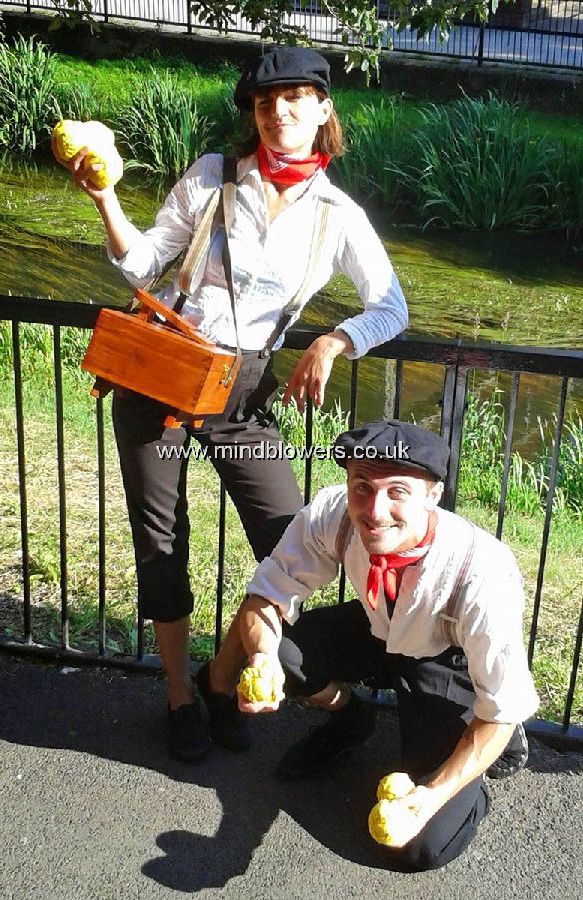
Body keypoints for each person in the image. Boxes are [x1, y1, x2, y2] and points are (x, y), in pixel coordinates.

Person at [51, 47, 408, 762]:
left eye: (297, 98)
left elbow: (391, 305)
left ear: (323, 110)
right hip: (161, 379)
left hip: (241, 395)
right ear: (253, 111)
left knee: (288, 536)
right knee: (162, 540)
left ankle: (241, 676)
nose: (280, 111)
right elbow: (143, 262)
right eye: (267, 100)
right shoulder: (215, 176)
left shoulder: (337, 214)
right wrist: (103, 198)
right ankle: (183, 695)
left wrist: (335, 341)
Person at [205, 420, 539, 871]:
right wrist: (262, 655)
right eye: (362, 485)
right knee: (280, 650)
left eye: (397, 491)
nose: (375, 509)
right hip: (377, 627)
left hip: (445, 658)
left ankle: (471, 772)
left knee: (421, 846)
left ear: (433, 495)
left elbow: (500, 711)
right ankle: (350, 718)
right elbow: (267, 592)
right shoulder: (335, 513)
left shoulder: (483, 576)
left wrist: (427, 799)